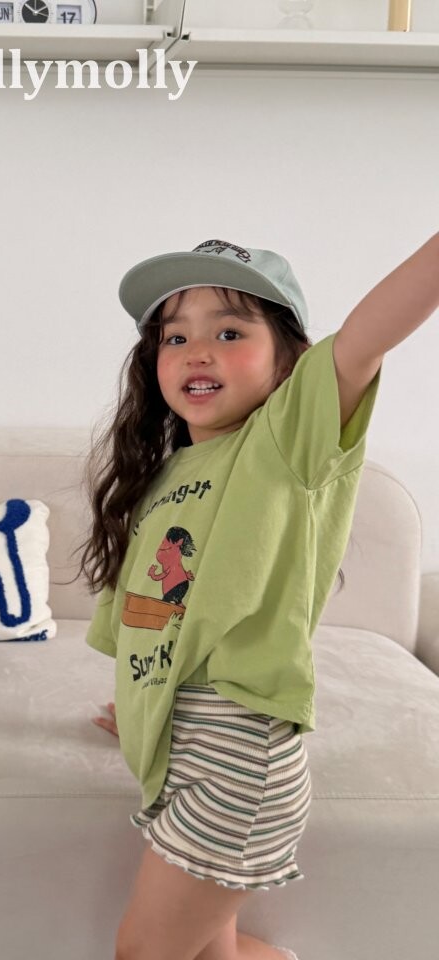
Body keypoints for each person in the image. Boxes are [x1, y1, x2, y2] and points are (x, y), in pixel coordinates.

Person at [80, 234, 439, 960]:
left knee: (143, 952)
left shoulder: (284, 444)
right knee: (213, 952)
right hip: (181, 752)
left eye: (230, 332)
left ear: (291, 363)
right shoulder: (163, 478)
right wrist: (145, 709)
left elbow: (365, 340)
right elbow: (158, 624)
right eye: (174, 336)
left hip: (237, 762)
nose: (197, 351)